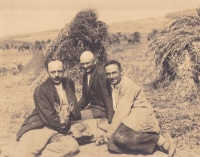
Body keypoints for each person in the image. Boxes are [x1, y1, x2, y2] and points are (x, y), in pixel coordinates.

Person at [0, 58, 81, 157]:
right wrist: (69, 128)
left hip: (59, 128)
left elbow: (73, 107)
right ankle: (7, 149)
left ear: (64, 70)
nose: (56, 75)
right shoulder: (41, 90)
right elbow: (48, 117)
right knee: (23, 155)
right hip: (42, 126)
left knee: (72, 147)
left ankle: (39, 152)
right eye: (53, 72)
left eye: (59, 71)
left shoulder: (69, 83)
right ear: (47, 72)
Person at [103, 60, 176, 157]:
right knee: (111, 145)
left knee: (119, 138)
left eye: (114, 73)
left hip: (140, 115)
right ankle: (149, 145)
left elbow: (121, 112)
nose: (111, 77)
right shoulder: (113, 84)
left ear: (121, 71)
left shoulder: (126, 84)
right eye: (108, 74)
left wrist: (109, 134)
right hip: (130, 117)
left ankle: (160, 140)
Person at [78, 51, 114, 124]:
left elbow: (106, 97)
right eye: (83, 64)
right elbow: (85, 98)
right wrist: (74, 109)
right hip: (93, 108)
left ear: (94, 61)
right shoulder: (85, 75)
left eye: (87, 63)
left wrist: (110, 120)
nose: (85, 66)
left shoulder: (100, 73)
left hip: (101, 110)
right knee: (73, 115)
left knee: (77, 117)